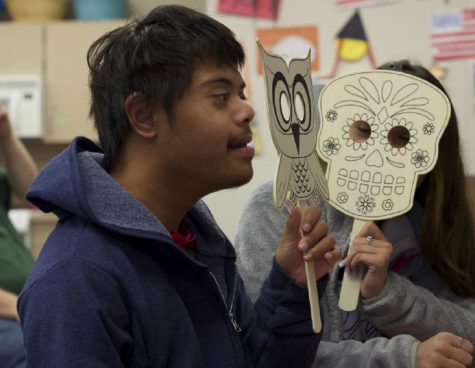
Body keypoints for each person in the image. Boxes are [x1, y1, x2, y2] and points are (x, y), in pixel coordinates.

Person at [17, 5, 340, 368]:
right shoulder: (76, 278)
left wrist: (291, 288)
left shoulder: (200, 242)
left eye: (242, 94)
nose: (246, 111)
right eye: (221, 97)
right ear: (143, 115)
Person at [235, 59, 475, 368]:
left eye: (403, 138)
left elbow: (468, 328)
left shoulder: (419, 222)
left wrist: (387, 292)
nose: (379, 156)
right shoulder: (277, 209)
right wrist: (404, 358)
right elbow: (261, 349)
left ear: (431, 157)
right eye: (365, 130)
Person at [0, 107, 37, 368]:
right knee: (37, 354)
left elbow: (31, 192)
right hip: (9, 313)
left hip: (23, 305)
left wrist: (7, 137)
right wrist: (17, 306)